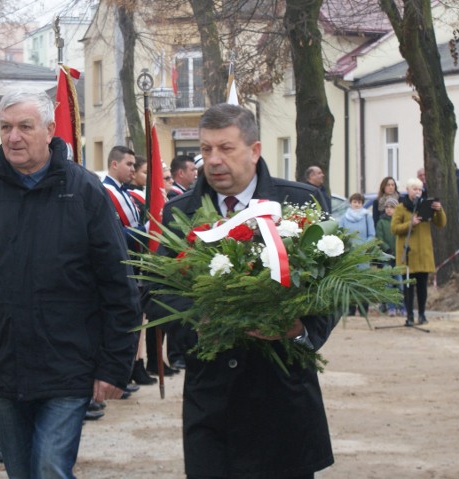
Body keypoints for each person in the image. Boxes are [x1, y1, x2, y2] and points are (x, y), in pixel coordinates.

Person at [0, 90, 140, 479]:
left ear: (49, 131)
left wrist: (114, 365)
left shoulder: (84, 193)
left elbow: (118, 283)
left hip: (68, 367)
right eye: (6, 127)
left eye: (24, 127)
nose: (13, 137)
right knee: (22, 473)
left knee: (49, 469)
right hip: (2, 368)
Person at [146, 103, 335, 477]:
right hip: (212, 398)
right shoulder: (179, 212)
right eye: (205, 149)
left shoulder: (299, 202)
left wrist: (301, 330)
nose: (213, 160)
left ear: (254, 150)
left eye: (225, 148)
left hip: (281, 395)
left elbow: (331, 284)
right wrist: (199, 325)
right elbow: (158, 289)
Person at [391, 177, 446, 326]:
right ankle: (409, 315)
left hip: (423, 253)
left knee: (422, 287)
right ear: (408, 190)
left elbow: (441, 223)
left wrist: (439, 210)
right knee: (408, 288)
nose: (417, 192)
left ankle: (422, 314)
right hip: (408, 254)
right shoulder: (401, 208)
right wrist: (411, 223)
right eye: (414, 189)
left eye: (420, 189)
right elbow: (394, 228)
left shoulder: (426, 206)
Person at [338, 193, 375, 316]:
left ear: (362, 204)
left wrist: (365, 247)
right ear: (351, 203)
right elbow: (340, 234)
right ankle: (350, 308)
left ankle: (363, 308)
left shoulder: (367, 217)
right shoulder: (344, 218)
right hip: (348, 254)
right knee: (350, 281)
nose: (357, 204)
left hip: (362, 254)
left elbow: (372, 234)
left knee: (363, 281)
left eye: (359, 202)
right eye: (354, 202)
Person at [375, 197, 405, 316]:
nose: (389, 209)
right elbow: (379, 238)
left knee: (400, 282)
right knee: (388, 283)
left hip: (398, 257)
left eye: (392, 207)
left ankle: (402, 306)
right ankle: (391, 306)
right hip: (386, 257)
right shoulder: (381, 222)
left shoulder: (400, 222)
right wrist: (387, 248)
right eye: (387, 207)